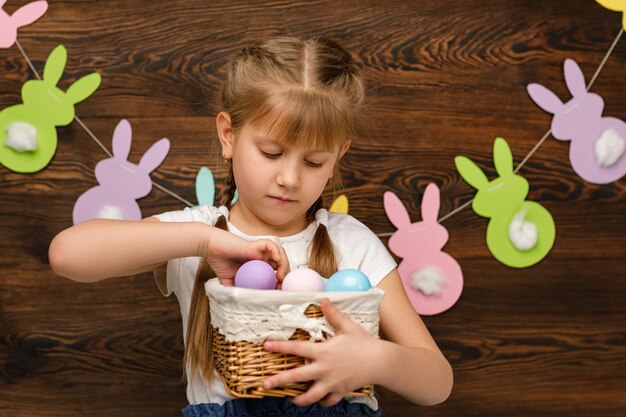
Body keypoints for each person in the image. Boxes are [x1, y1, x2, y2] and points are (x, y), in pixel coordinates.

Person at [49, 35, 453, 417]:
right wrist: (205, 241)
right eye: (271, 152)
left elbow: (437, 382)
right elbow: (68, 255)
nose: (290, 179)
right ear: (229, 135)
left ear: (339, 155)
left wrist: (378, 360)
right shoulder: (197, 233)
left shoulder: (352, 242)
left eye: (314, 162)